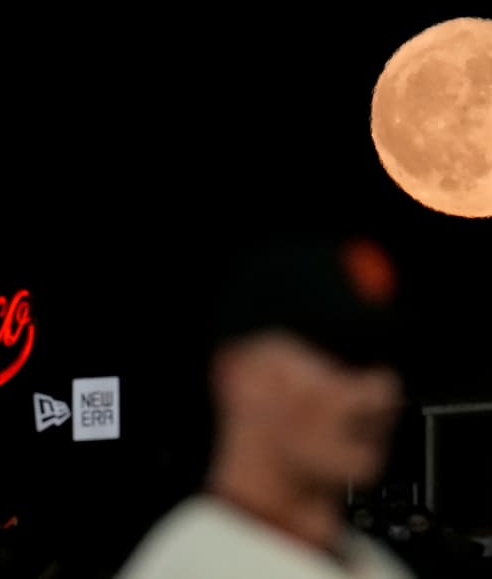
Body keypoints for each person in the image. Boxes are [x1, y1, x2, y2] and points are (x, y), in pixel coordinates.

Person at [117, 235, 414, 578]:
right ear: (240, 375)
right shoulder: (198, 566)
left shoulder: (369, 561)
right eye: (346, 358)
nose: (379, 393)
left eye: (385, 361)